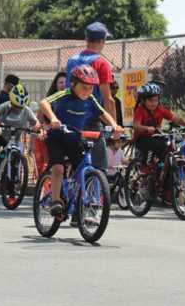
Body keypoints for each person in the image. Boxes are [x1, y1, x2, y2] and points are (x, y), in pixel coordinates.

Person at [38, 65, 123, 219]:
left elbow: (103, 114)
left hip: (75, 138)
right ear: (73, 84)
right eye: (84, 87)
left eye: (91, 88)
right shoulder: (64, 95)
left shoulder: (90, 100)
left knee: (84, 167)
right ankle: (56, 201)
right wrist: (53, 118)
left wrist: (115, 126)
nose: (88, 92)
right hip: (57, 137)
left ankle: (82, 205)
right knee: (58, 168)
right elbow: (44, 102)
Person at [64, 22, 118, 171]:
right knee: (99, 167)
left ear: (86, 39)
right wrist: (114, 127)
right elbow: (108, 99)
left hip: (69, 117)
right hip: (90, 119)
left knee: (77, 164)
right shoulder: (101, 63)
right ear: (102, 41)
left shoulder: (72, 60)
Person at [132, 82, 185, 168]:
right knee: (157, 145)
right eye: (150, 101)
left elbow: (176, 119)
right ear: (144, 100)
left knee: (169, 147)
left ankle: (163, 170)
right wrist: (146, 128)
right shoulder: (140, 110)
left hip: (156, 136)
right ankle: (144, 168)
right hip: (141, 139)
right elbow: (136, 126)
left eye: (156, 100)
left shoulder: (160, 109)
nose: (153, 103)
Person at [0, 84, 40, 170]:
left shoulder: (27, 110)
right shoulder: (6, 105)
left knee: (15, 160)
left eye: (20, 107)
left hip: (15, 140)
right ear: (11, 102)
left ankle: (8, 178)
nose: (18, 109)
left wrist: (35, 128)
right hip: (1, 135)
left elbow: (36, 123)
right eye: (15, 106)